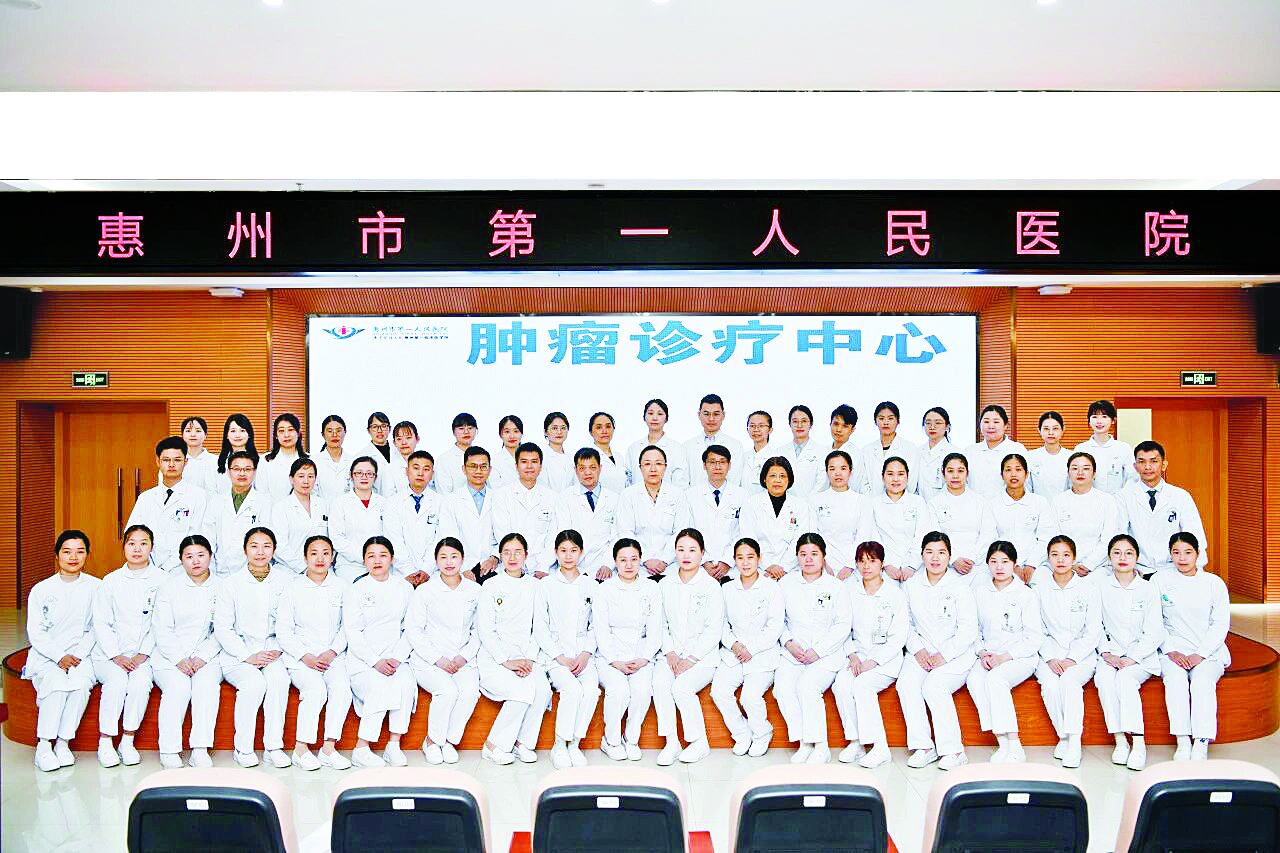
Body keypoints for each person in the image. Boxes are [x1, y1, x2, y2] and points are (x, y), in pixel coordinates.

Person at [214, 527, 293, 768]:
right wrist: (247, 655)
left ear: (274, 550)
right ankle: (243, 748)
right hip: (238, 653)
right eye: (254, 546)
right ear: (245, 550)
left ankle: (273, 747)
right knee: (254, 684)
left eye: (266, 546)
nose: (260, 552)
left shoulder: (286, 581)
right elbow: (223, 628)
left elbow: (290, 622)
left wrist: (277, 648)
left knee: (279, 681)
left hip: (272, 650)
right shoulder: (231, 583)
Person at [899, 531, 979, 770]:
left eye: (941, 553)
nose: (935, 558)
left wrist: (944, 655)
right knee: (906, 685)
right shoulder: (911, 586)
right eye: (929, 552)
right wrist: (918, 650)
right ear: (921, 555)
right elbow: (905, 624)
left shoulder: (960, 587)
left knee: (934, 686)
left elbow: (968, 630)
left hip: (955, 654)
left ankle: (954, 751)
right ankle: (924, 747)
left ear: (949, 557)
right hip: (922, 652)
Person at [25, 530, 100, 772]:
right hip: (48, 655)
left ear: (87, 555)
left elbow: (97, 627)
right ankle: (44, 746)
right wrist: (59, 656)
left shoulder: (96, 587)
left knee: (80, 685)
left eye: (80, 551)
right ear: (57, 555)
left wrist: (77, 655)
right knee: (56, 683)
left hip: (81, 655)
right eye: (67, 552)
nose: (73, 557)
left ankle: (63, 743)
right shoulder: (41, 589)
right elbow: (36, 631)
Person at [276, 534, 353, 770]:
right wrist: (305, 656)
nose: (320, 558)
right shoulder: (293, 587)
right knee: (315, 690)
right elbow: (283, 629)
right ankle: (301, 749)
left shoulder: (342, 587)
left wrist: (332, 652)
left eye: (325, 553)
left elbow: (348, 626)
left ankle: (328, 748)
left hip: (332, 656)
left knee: (342, 688)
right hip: (301, 658)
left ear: (333, 557)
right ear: (305, 557)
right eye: (314, 553)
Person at [775, 533, 853, 765]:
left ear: (823, 557)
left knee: (807, 686)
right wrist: (789, 643)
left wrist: (817, 651)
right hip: (794, 653)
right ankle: (804, 743)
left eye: (814, 554)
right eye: (803, 554)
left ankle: (820, 745)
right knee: (783, 689)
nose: (808, 559)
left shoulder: (836, 586)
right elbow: (778, 620)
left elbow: (843, 624)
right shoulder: (785, 584)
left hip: (826, 655)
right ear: (797, 557)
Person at [91, 524, 164, 768]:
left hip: (146, 654)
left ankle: (128, 740)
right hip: (109, 655)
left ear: (152, 547)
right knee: (117, 681)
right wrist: (116, 655)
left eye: (144, 543)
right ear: (124, 547)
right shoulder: (110, 581)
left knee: (140, 683)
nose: (137, 549)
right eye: (132, 543)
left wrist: (143, 653)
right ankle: (105, 741)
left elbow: (161, 622)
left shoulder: (163, 580)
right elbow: (101, 622)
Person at [967, 541, 1044, 764]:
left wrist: (1003, 657)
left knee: (996, 679)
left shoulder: (1026, 594)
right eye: (994, 562)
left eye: (1005, 561)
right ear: (987, 564)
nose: (999, 567)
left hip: (1019, 657)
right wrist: (982, 652)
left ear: (1014, 564)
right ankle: (1002, 742)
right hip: (988, 655)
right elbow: (974, 629)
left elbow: (1034, 638)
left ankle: (1015, 743)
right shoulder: (979, 592)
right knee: (974, 680)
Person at [1156, 531, 1230, 761]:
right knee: (1175, 680)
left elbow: (1220, 624)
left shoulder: (1213, 583)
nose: (1182, 558)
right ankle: (1182, 740)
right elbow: (1154, 621)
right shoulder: (1160, 580)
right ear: (1170, 555)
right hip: (1172, 650)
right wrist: (1171, 650)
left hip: (1207, 651)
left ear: (1198, 554)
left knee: (1202, 681)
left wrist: (1201, 654)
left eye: (1188, 552)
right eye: (1176, 552)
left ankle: (1201, 741)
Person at [407, 537, 482, 765]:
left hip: (462, 658)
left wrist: (463, 657)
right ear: (436, 561)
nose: (449, 562)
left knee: (470, 692)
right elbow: (414, 630)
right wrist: (437, 659)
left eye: (454, 557)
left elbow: (480, 630)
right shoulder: (425, 591)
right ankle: (432, 741)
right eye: (443, 557)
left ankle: (448, 741)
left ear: (462, 559)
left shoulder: (475, 590)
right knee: (447, 691)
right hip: (429, 660)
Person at [477, 533, 550, 765]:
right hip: (495, 658)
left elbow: (539, 627)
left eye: (518, 552)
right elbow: (485, 629)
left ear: (526, 555)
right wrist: (506, 660)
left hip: (527, 656)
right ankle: (493, 745)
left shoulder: (536, 586)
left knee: (542, 690)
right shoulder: (490, 586)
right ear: (500, 556)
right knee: (522, 691)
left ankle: (522, 743)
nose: (512, 557)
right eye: (507, 553)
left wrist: (528, 658)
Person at [151, 534, 224, 768]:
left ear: (210, 556)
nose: (196, 561)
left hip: (208, 656)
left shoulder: (223, 587)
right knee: (178, 688)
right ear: (181, 559)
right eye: (189, 556)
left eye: (201, 555)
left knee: (207, 686)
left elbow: (223, 629)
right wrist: (179, 658)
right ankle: (169, 749)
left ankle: (200, 749)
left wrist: (202, 657)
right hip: (170, 656)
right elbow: (162, 629)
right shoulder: (169, 587)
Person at [833, 541, 908, 768]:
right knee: (841, 685)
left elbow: (899, 636)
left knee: (862, 685)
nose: (866, 566)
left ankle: (880, 747)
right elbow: (842, 628)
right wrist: (853, 655)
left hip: (885, 661)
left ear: (882, 563)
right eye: (862, 561)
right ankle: (856, 742)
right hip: (857, 657)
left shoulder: (894, 594)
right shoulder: (849, 592)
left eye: (872, 560)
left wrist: (873, 661)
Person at [343, 536, 416, 768]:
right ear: (364, 560)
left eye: (383, 555)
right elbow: (352, 631)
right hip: (363, 661)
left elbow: (410, 628)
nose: (377, 561)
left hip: (396, 657)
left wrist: (396, 658)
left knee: (405, 684)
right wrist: (375, 661)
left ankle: (393, 745)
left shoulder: (404, 588)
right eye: (371, 556)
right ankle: (361, 748)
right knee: (379, 687)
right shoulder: (355, 590)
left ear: (391, 559)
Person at [653, 528, 724, 765]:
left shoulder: (711, 586)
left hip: (702, 658)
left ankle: (699, 742)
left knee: (681, 687)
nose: (686, 555)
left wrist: (691, 659)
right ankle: (671, 742)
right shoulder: (665, 584)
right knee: (660, 683)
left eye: (692, 550)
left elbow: (713, 629)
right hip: (671, 654)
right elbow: (660, 624)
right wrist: (671, 653)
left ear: (702, 553)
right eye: (681, 549)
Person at [1095, 533, 1164, 771]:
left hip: (1141, 656)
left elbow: (1155, 631)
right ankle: (1120, 741)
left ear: (1137, 557)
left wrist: (1132, 657)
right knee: (1104, 679)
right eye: (1117, 553)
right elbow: (1095, 625)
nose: (1122, 558)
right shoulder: (1100, 587)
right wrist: (1107, 653)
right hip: (1110, 654)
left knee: (1125, 680)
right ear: (1109, 558)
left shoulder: (1148, 588)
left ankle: (1138, 743)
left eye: (1128, 553)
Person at [710, 537, 784, 757]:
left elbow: (775, 626)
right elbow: (721, 623)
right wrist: (734, 645)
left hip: (762, 654)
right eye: (740, 558)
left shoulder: (771, 588)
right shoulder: (727, 588)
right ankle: (742, 734)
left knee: (749, 698)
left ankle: (762, 733)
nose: (745, 562)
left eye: (750, 557)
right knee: (719, 692)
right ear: (734, 561)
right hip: (733, 653)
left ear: (759, 559)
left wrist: (751, 648)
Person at [534, 530, 601, 768]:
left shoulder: (591, 585)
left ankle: (575, 744)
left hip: (584, 655)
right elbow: (540, 627)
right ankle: (559, 745)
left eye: (573, 550)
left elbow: (596, 625)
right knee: (572, 690)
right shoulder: (546, 585)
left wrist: (585, 654)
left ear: (581, 553)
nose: (568, 556)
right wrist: (559, 657)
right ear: (556, 553)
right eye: (563, 550)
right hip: (556, 656)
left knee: (591, 691)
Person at [594, 537, 663, 760]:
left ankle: (631, 739)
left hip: (641, 654)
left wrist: (644, 658)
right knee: (619, 690)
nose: (629, 565)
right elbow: (601, 629)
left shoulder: (651, 588)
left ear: (641, 560)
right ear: (615, 562)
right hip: (610, 656)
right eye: (623, 560)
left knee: (642, 690)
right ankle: (611, 740)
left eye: (634, 559)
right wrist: (614, 660)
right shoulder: (605, 590)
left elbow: (656, 628)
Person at [1121, 440, 1208, 575]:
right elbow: (1120, 535)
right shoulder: (1123, 497)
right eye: (1142, 462)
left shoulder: (1181, 496)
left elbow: (1195, 535)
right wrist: (1127, 569)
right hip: (1137, 570)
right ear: (1135, 466)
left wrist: (1196, 571)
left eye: (1154, 461)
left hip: (1174, 568)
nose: (1147, 467)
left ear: (1164, 465)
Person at [126, 435, 208, 572]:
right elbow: (132, 534)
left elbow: (196, 536)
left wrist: (167, 567)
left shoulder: (198, 496)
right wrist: (148, 564)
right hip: (147, 567)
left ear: (185, 462)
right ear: (158, 462)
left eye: (177, 460)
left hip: (182, 569)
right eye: (166, 460)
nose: (171, 464)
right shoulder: (145, 498)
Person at [613, 445, 692, 579]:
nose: (653, 469)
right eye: (647, 464)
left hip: (671, 564)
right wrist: (646, 559)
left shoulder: (678, 494)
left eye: (658, 464)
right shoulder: (628, 495)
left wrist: (665, 560)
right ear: (640, 468)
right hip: (638, 564)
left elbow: (681, 531)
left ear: (665, 467)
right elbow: (626, 532)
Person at [1050, 452, 1128, 576]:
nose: (1080, 473)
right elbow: (1055, 537)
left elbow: (1108, 539)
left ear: (1094, 474)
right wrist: (1069, 564)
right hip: (1063, 565)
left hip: (1098, 567)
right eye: (1075, 468)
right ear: (1068, 474)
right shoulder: (1057, 501)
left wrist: (1088, 565)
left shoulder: (1107, 501)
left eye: (1086, 469)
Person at [737, 457, 814, 579]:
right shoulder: (751, 504)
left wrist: (784, 567)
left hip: (791, 569)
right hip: (759, 568)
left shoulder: (800, 505)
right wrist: (768, 565)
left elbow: (800, 539)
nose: (778, 480)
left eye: (782, 476)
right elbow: (749, 538)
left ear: (789, 479)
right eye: (773, 476)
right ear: (764, 478)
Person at [491, 442, 560, 574]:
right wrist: (519, 564)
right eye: (524, 462)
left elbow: (554, 537)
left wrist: (542, 566)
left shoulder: (552, 497)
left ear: (541, 466)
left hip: (543, 569)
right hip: (511, 566)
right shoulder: (502, 495)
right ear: (516, 465)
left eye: (534, 462)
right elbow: (502, 534)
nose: (529, 466)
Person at [926, 453, 997, 580]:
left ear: (967, 474)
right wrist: (953, 559)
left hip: (977, 565)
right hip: (946, 564)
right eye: (950, 471)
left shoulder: (980, 502)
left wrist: (972, 559)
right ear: (943, 474)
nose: (955, 476)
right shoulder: (934, 503)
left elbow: (988, 534)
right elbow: (935, 536)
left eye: (960, 471)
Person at [991, 453, 1058, 586]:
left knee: (1043, 585)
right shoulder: (993, 504)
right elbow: (991, 538)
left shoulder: (1040, 502)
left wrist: (1031, 564)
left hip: (1036, 564)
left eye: (1018, 469)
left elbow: (1046, 538)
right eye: (1008, 470)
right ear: (1002, 475)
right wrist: (1012, 565)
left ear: (1026, 474)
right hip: (1002, 563)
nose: (1013, 474)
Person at [809, 450, 877, 580]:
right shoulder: (815, 500)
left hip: (855, 565)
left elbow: (862, 536)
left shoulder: (862, 501)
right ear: (827, 472)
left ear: (850, 471)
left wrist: (850, 565)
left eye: (843, 468)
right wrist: (823, 563)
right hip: (823, 565)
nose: (838, 473)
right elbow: (813, 535)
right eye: (832, 469)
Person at [555, 447, 620, 580]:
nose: (588, 472)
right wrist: (572, 565)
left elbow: (617, 536)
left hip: (605, 569)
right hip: (574, 567)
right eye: (582, 468)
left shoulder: (614, 499)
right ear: (575, 470)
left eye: (592, 467)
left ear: (600, 468)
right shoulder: (565, 497)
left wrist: (608, 564)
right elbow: (563, 534)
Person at [438, 446, 500, 583]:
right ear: (464, 469)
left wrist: (494, 557)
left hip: (493, 567)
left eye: (483, 466)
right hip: (462, 570)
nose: (478, 471)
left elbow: (504, 534)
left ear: (490, 470)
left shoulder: (499, 498)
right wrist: (463, 568)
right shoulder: (451, 501)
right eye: (473, 466)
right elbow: (449, 537)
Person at [685, 444, 747, 582]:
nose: (717, 467)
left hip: (732, 567)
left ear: (729, 465)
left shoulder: (742, 495)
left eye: (722, 462)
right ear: (704, 465)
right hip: (700, 565)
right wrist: (704, 561)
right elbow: (689, 532)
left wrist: (727, 561)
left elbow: (743, 532)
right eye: (712, 462)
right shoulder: (690, 496)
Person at [206, 450, 272, 575]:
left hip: (252, 571)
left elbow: (265, 540)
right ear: (228, 472)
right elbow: (209, 539)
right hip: (220, 571)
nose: (242, 473)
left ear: (254, 472)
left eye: (247, 469)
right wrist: (212, 570)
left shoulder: (264, 502)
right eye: (236, 469)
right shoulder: (216, 502)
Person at [382, 450, 441, 585]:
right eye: (416, 468)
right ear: (406, 471)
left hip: (432, 573)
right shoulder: (392, 503)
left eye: (426, 469)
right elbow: (394, 540)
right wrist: (408, 571)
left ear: (432, 474)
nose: (420, 473)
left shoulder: (441, 503)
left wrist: (426, 570)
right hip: (401, 574)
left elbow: (440, 539)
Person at [875, 457, 936, 581]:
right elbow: (873, 537)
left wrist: (911, 566)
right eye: (890, 474)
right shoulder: (874, 504)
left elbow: (923, 535)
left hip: (916, 567)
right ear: (883, 477)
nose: (895, 479)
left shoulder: (918, 502)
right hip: (884, 568)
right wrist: (887, 564)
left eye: (901, 474)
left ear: (907, 478)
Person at [329, 456, 387, 578]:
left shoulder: (385, 504)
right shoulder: (339, 503)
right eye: (359, 473)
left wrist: (376, 558)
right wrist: (365, 557)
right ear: (351, 476)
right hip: (350, 566)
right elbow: (337, 539)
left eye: (369, 474)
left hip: (381, 564)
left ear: (375, 477)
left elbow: (390, 535)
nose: (364, 477)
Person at [270, 458, 329, 575]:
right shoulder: (281, 508)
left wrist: (319, 565)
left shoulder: (324, 505)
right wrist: (304, 568)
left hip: (321, 567)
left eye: (310, 476)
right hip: (289, 570)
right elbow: (279, 545)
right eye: (301, 476)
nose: (306, 481)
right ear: (291, 479)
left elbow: (331, 539)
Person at [1073, 400, 1136, 494]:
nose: (1099, 421)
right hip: (1088, 499)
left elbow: (1132, 478)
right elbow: (1074, 478)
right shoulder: (1081, 449)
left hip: (1117, 500)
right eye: (1094, 417)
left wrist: (1122, 497)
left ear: (1113, 420)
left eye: (1104, 417)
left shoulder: (1123, 448)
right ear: (1089, 421)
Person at [625, 399, 689, 490]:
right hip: (637, 497)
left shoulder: (676, 448)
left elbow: (681, 483)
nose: (655, 418)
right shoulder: (633, 448)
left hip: (669, 498)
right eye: (650, 413)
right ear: (644, 417)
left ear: (666, 418)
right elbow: (628, 482)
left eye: (660, 414)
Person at [965, 404, 1028, 497]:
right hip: (975, 504)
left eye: (996, 422)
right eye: (986, 422)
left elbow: (1024, 481)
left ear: (1006, 425)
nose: (991, 426)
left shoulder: (1017, 449)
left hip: (1006, 504)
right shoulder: (970, 451)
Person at [684, 394, 745, 489]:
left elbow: (736, 480)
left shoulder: (735, 446)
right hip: (694, 497)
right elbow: (684, 482)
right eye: (706, 414)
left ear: (723, 415)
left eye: (716, 414)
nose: (711, 419)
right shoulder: (687, 447)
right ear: (699, 415)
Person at [861, 402, 921, 497]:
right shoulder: (867, 450)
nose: (886, 422)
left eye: (890, 418)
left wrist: (896, 500)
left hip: (903, 502)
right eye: (881, 418)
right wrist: (876, 502)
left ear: (898, 421)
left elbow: (912, 483)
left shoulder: (910, 448)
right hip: (873, 502)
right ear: (875, 421)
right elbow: (863, 484)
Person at [258, 413, 308, 503]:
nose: (286, 435)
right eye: (281, 431)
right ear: (276, 435)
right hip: (272, 510)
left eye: (290, 430)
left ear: (298, 433)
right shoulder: (265, 461)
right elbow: (261, 492)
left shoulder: (309, 460)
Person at [779, 404, 826, 496]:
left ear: (811, 424)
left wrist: (807, 501)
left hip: (813, 501)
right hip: (785, 501)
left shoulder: (822, 451)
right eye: (795, 421)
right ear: (790, 424)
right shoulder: (780, 452)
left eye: (804, 421)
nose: (799, 425)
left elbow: (822, 482)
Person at [213, 413, 259, 498]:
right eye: (233, 431)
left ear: (249, 434)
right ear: (227, 435)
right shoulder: (215, 462)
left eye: (242, 431)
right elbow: (212, 492)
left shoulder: (260, 461)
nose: (238, 435)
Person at [827, 404, 868, 494]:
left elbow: (856, 486)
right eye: (836, 424)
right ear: (830, 424)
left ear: (852, 429)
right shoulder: (823, 451)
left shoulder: (856, 455)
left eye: (845, 426)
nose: (839, 429)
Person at [1027, 411, 1070, 497]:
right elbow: (1027, 487)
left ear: (1062, 430)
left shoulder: (1070, 457)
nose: (1050, 433)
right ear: (1039, 430)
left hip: (1065, 504)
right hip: (1037, 504)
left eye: (1055, 429)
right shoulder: (1030, 456)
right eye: (1046, 429)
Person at [313, 414, 355, 500]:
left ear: (345, 433)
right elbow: (312, 493)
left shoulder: (353, 461)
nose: (334, 435)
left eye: (338, 431)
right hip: (322, 508)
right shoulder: (315, 461)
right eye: (330, 431)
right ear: (323, 435)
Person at [351, 411, 393, 493]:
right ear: (369, 430)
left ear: (389, 429)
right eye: (375, 427)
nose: (379, 430)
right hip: (374, 500)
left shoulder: (399, 453)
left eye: (383, 426)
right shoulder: (361, 456)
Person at [918, 406, 954, 502]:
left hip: (946, 504)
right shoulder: (917, 452)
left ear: (947, 427)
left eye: (938, 423)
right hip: (920, 505)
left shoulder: (954, 452)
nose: (932, 427)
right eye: (928, 423)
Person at [588, 412, 629, 493]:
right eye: (599, 427)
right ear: (591, 432)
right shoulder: (588, 458)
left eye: (608, 426)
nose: (604, 431)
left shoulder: (619, 457)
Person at [179, 415, 219, 494]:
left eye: (198, 431)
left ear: (205, 435)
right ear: (182, 435)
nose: (193, 434)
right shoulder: (175, 461)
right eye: (188, 431)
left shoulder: (216, 461)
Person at [379, 421, 421, 497]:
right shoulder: (389, 469)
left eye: (408, 438)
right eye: (399, 439)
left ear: (417, 439)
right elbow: (388, 499)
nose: (404, 442)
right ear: (394, 443)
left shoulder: (427, 465)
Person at [740, 410, 775, 495]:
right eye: (752, 426)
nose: (756, 430)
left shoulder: (775, 458)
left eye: (761, 426)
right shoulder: (743, 457)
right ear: (747, 429)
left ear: (770, 429)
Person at [540, 411, 577, 492]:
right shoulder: (541, 457)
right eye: (554, 428)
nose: (559, 432)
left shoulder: (572, 458)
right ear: (545, 432)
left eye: (563, 428)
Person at [489, 414, 524, 490]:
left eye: (516, 431)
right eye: (507, 432)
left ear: (522, 434)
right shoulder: (495, 461)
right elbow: (496, 489)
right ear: (500, 435)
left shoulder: (531, 457)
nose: (512, 436)